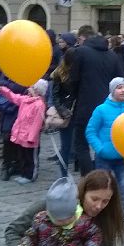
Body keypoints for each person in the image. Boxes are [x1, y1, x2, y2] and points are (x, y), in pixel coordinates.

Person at [70, 25, 124, 175]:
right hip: (108, 107)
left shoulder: (80, 52)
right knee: (102, 142)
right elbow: (120, 80)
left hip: (85, 106)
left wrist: (73, 97)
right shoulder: (112, 55)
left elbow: (73, 80)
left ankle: (89, 179)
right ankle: (103, 177)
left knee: (81, 144)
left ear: (82, 38)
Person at [85, 77, 124, 218]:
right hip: (104, 157)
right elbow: (91, 131)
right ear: (112, 90)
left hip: (123, 158)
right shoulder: (101, 109)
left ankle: (122, 217)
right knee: (102, 187)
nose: (123, 90)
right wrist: (100, 148)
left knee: (123, 188)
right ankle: (101, 215)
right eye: (119, 87)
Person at [0, 80, 48, 184]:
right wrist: (2, 90)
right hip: (21, 135)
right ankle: (24, 174)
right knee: (22, 156)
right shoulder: (25, 100)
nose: (29, 89)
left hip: (30, 138)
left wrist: (31, 137)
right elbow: (13, 97)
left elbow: (37, 123)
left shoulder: (39, 104)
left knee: (30, 158)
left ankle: (30, 176)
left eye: (32, 88)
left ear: (38, 91)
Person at [50, 48, 77, 177]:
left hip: (79, 110)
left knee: (80, 144)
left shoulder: (81, 71)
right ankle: (64, 174)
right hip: (66, 112)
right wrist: (63, 111)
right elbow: (55, 96)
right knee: (65, 145)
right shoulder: (59, 74)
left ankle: (78, 167)